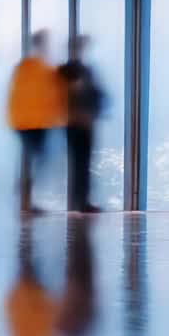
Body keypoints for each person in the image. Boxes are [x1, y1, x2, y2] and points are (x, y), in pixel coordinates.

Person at [6, 30, 67, 213]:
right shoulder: (37, 68)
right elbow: (46, 96)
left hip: (32, 122)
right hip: (31, 123)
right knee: (33, 158)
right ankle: (24, 197)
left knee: (33, 158)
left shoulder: (33, 68)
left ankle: (24, 196)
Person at [58, 35, 104, 212]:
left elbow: (94, 95)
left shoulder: (84, 70)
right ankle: (79, 202)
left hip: (84, 122)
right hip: (75, 122)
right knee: (79, 163)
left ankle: (82, 201)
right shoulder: (67, 71)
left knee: (83, 163)